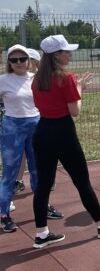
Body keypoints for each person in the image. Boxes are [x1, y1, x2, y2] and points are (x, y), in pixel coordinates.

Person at [31, 35, 100, 248]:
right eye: (66, 51)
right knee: (82, 182)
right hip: (63, 132)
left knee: (43, 185)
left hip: (42, 132)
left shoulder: (36, 79)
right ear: (56, 55)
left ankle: (41, 233)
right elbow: (75, 110)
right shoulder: (66, 77)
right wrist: (80, 88)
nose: (70, 54)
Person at [0, 45, 64, 233]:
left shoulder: (37, 78)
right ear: (9, 63)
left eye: (22, 58)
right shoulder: (3, 80)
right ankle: (4, 214)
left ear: (29, 60)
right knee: (10, 172)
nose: (19, 62)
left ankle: (44, 206)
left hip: (36, 126)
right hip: (12, 128)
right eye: (14, 60)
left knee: (39, 171)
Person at [14, 48, 42, 195]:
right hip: (18, 122)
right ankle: (18, 181)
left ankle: (44, 181)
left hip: (37, 121)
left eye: (27, 59)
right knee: (20, 154)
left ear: (35, 62)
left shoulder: (39, 79)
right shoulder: (13, 79)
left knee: (37, 154)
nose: (23, 62)